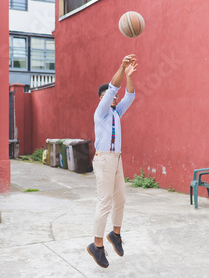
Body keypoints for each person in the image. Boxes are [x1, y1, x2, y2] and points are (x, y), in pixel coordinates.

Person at [86, 54, 138, 268]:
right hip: (104, 159)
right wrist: (121, 66)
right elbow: (114, 89)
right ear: (103, 98)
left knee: (121, 199)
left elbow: (131, 95)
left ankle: (115, 234)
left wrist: (129, 76)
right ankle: (97, 246)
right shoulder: (101, 112)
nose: (114, 98)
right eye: (109, 96)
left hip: (116, 159)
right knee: (104, 202)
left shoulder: (117, 113)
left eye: (114, 97)